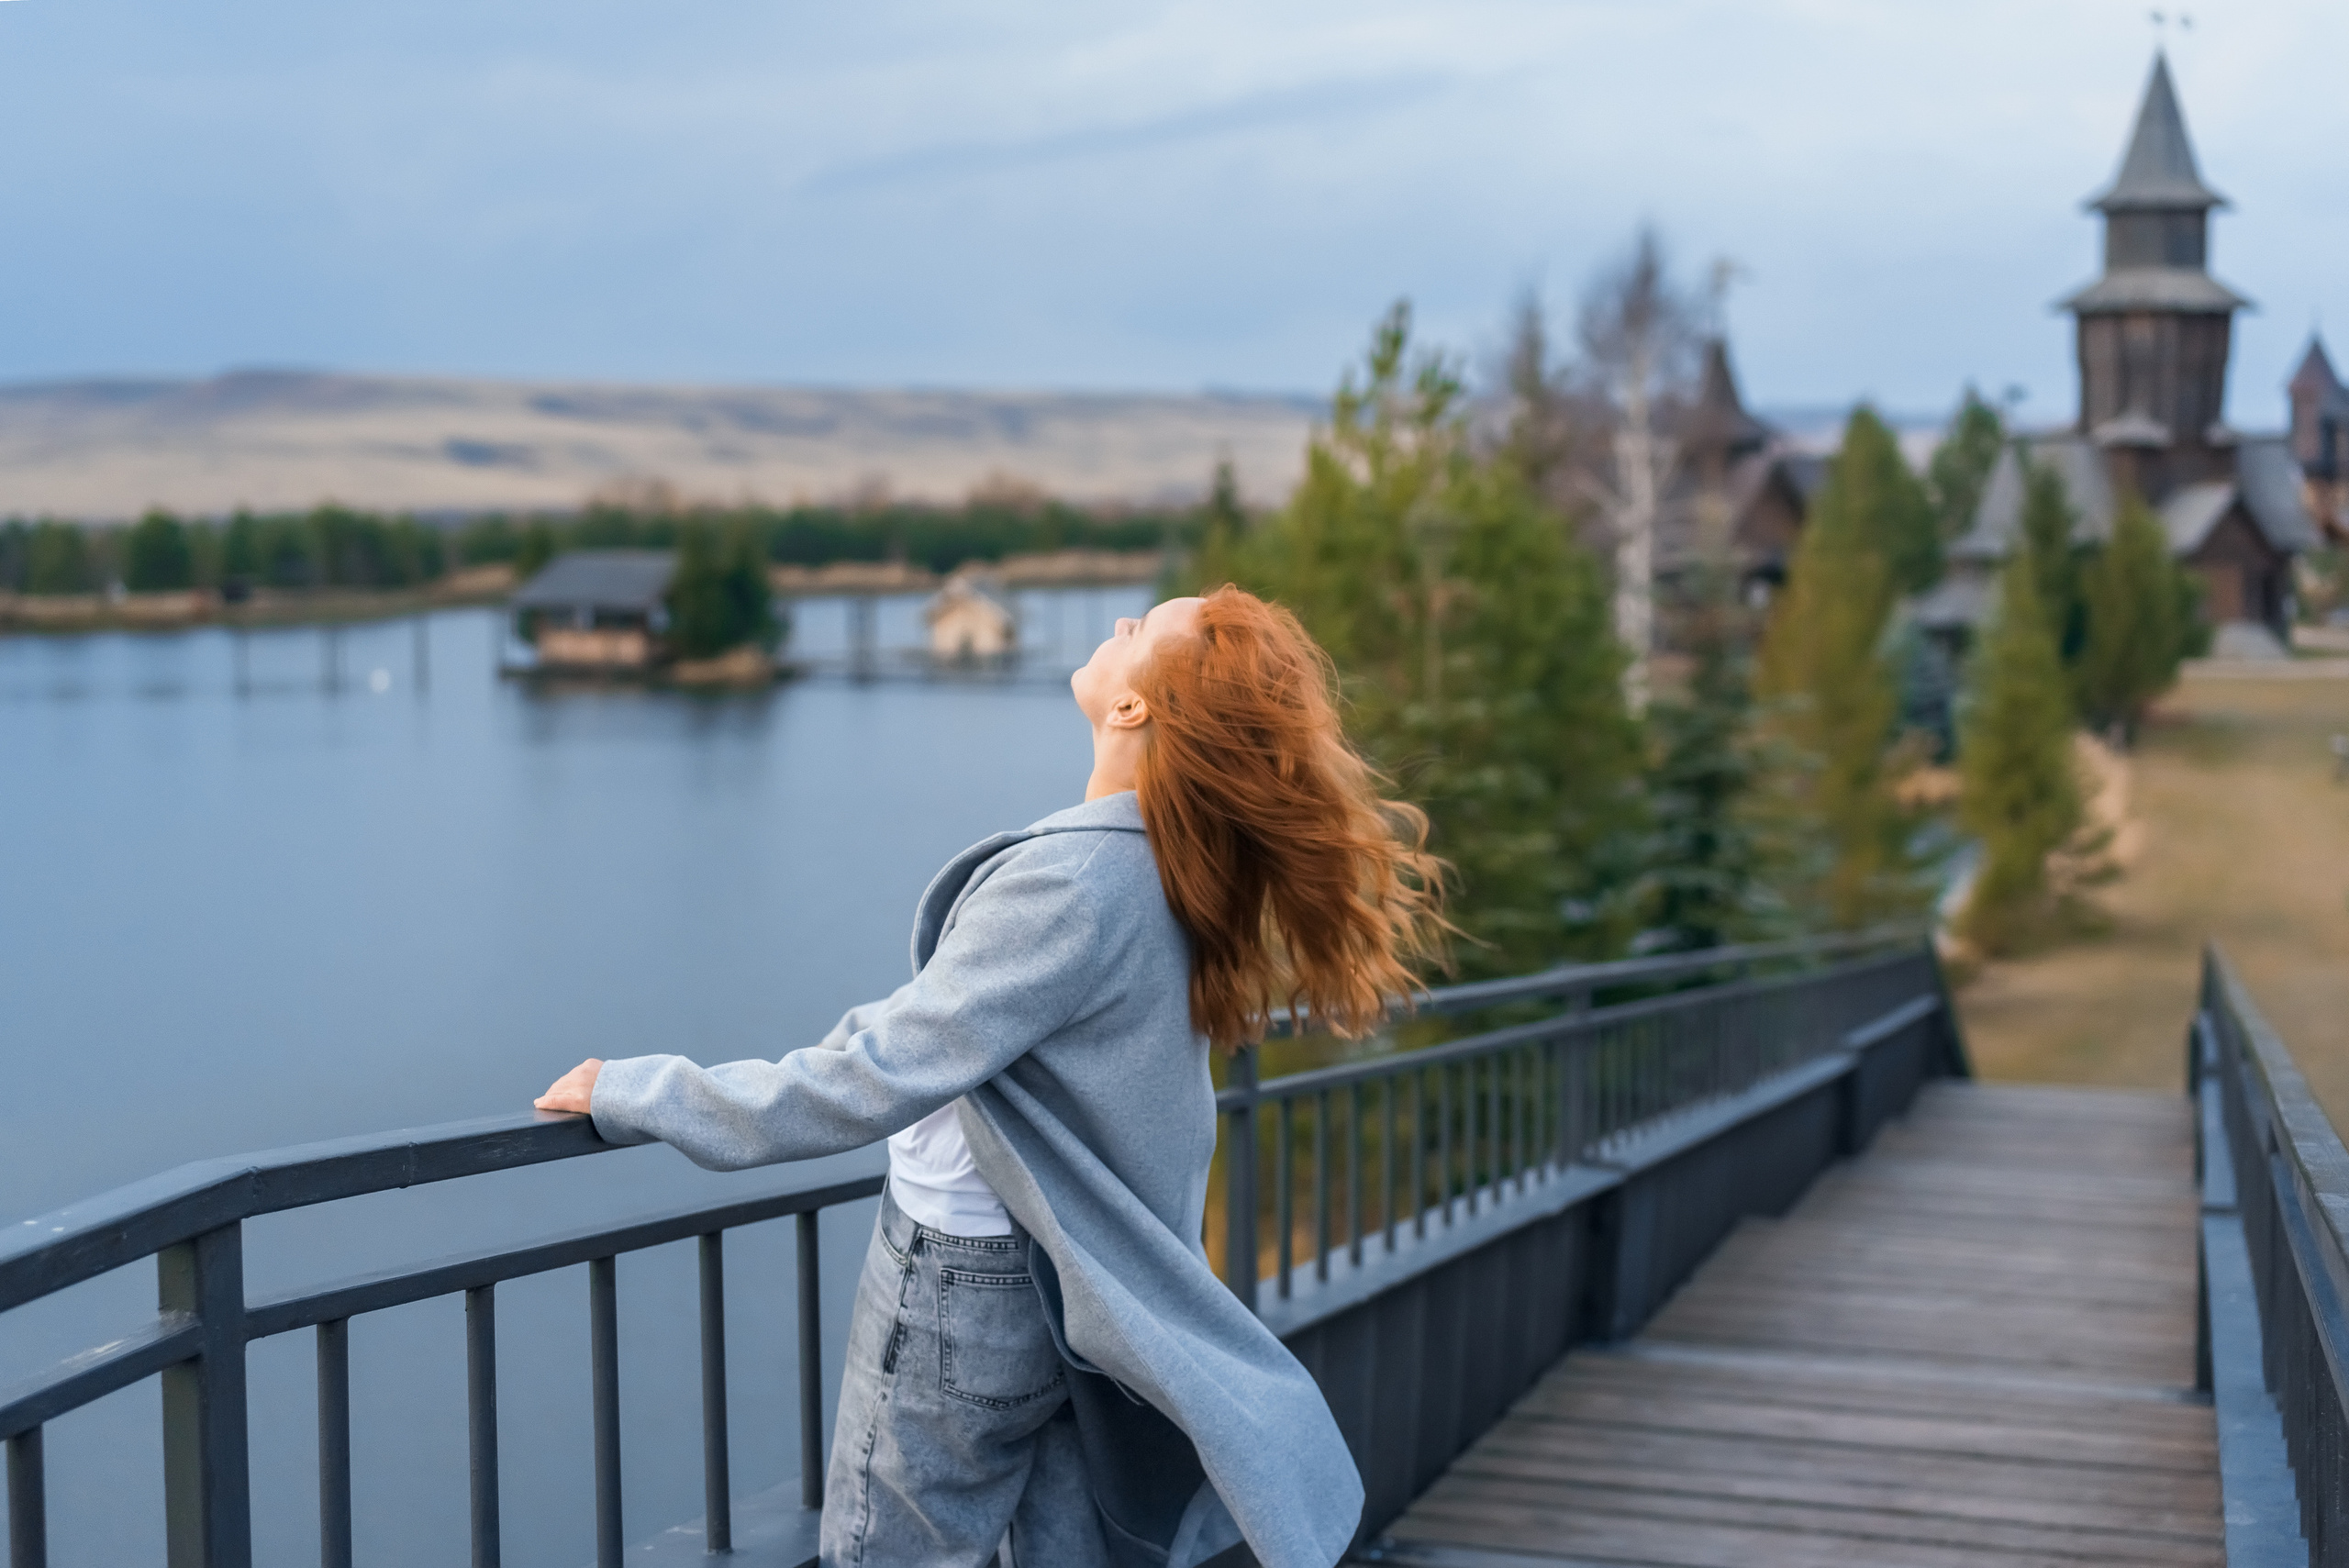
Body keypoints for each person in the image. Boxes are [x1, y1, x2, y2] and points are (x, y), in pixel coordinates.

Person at [536, 586, 1447, 1568]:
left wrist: (644, 1094)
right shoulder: (1171, 871)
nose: (1118, 625)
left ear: (1135, 707)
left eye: (1140, 628)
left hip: (964, 1291)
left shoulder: (1073, 883)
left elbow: (867, 1078)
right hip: (1072, 1288)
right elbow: (940, 1025)